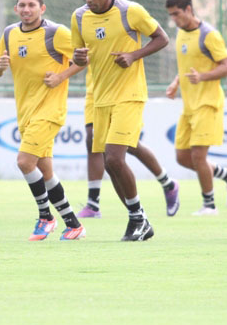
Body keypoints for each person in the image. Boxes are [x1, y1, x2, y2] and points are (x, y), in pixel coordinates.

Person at [71, 0, 169, 241]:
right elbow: (79, 59)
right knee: (109, 164)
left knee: (115, 158)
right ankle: (138, 219)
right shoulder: (79, 17)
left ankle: (139, 218)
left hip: (129, 95)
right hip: (100, 98)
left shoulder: (131, 11)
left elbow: (162, 38)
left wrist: (134, 55)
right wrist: (78, 57)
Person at [0, 0, 86, 241]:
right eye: (22, 5)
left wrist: (61, 76)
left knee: (24, 162)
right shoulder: (10, 33)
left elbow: (85, 57)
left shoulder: (56, 33)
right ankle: (73, 224)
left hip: (50, 110)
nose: (26, 9)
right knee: (45, 172)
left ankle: (45, 217)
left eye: (32, 5)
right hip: (25, 111)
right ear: (15, 8)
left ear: (42, 8)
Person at [164, 0, 227, 215]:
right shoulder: (180, 33)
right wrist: (176, 82)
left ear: (189, 9)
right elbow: (188, 65)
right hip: (188, 106)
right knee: (182, 157)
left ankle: (209, 205)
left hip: (208, 103)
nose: (174, 20)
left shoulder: (209, 34)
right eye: (171, 16)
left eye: (177, 14)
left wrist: (203, 77)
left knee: (199, 156)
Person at [76, 68, 180, 218]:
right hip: (96, 90)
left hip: (120, 90)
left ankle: (168, 184)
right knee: (92, 140)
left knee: (129, 145)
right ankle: (93, 204)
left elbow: (156, 44)